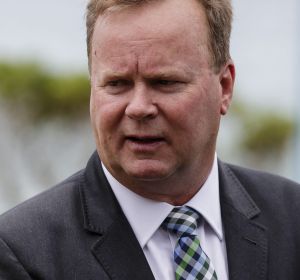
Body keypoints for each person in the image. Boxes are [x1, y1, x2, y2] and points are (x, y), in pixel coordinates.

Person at [0, 0, 300, 279]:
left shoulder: (292, 219)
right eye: (117, 84)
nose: (139, 107)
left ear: (224, 87)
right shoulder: (23, 253)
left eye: (164, 82)